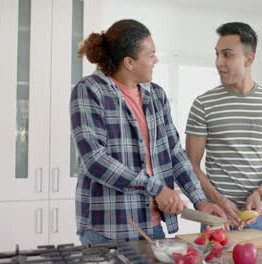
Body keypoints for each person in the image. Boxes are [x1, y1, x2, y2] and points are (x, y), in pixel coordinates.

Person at [70, 19, 224, 244]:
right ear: (129, 62)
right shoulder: (90, 90)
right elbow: (94, 160)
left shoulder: (156, 95)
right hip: (108, 229)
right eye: (150, 55)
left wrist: (200, 201)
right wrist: (155, 187)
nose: (156, 60)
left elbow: (174, 153)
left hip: (152, 228)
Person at [185, 22, 262, 231]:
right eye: (217, 54)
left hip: (261, 217)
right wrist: (218, 199)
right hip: (218, 217)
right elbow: (191, 165)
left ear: (249, 59)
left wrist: (259, 193)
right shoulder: (203, 104)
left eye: (227, 55)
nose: (218, 62)